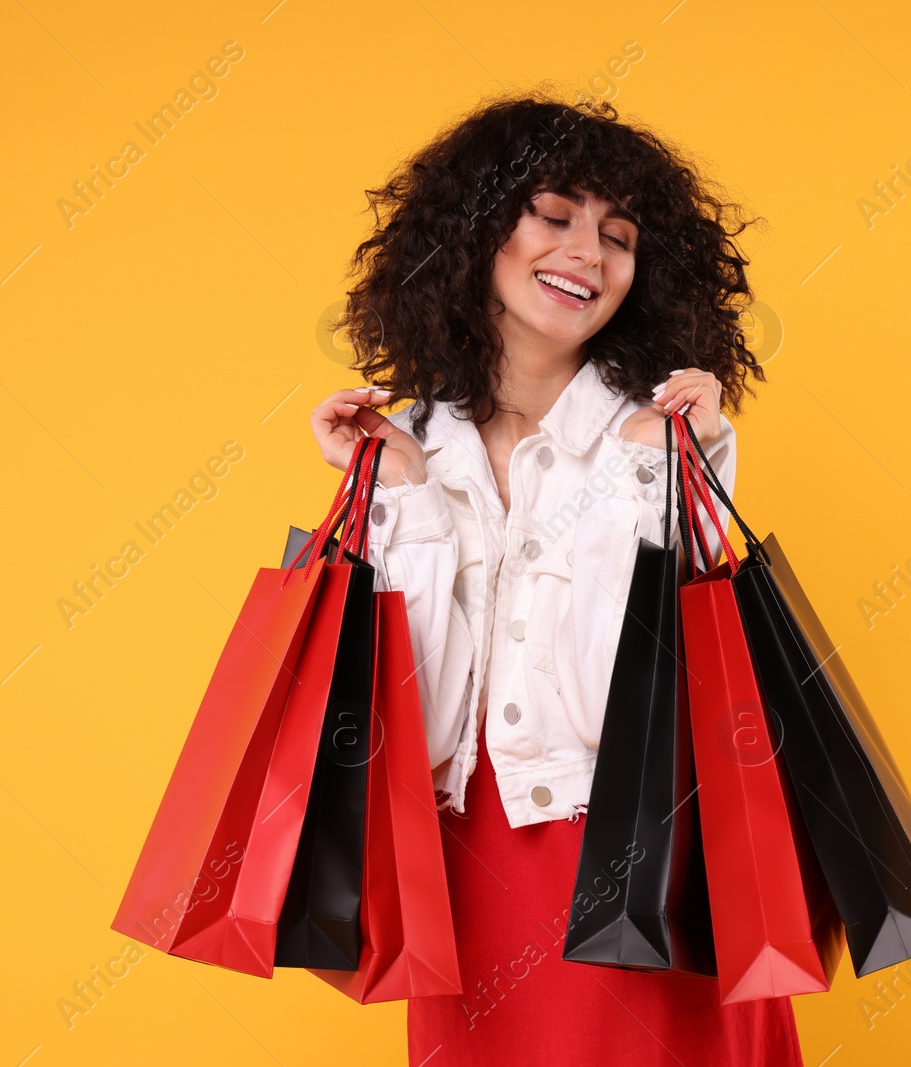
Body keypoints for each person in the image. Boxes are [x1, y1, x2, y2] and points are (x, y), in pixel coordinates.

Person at [309, 93, 796, 1067]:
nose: (589, 251)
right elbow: (416, 711)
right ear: (476, 227)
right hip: (461, 868)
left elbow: (614, 698)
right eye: (558, 214)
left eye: (619, 235)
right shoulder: (411, 446)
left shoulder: (656, 440)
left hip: (631, 864)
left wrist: (656, 465)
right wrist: (404, 492)